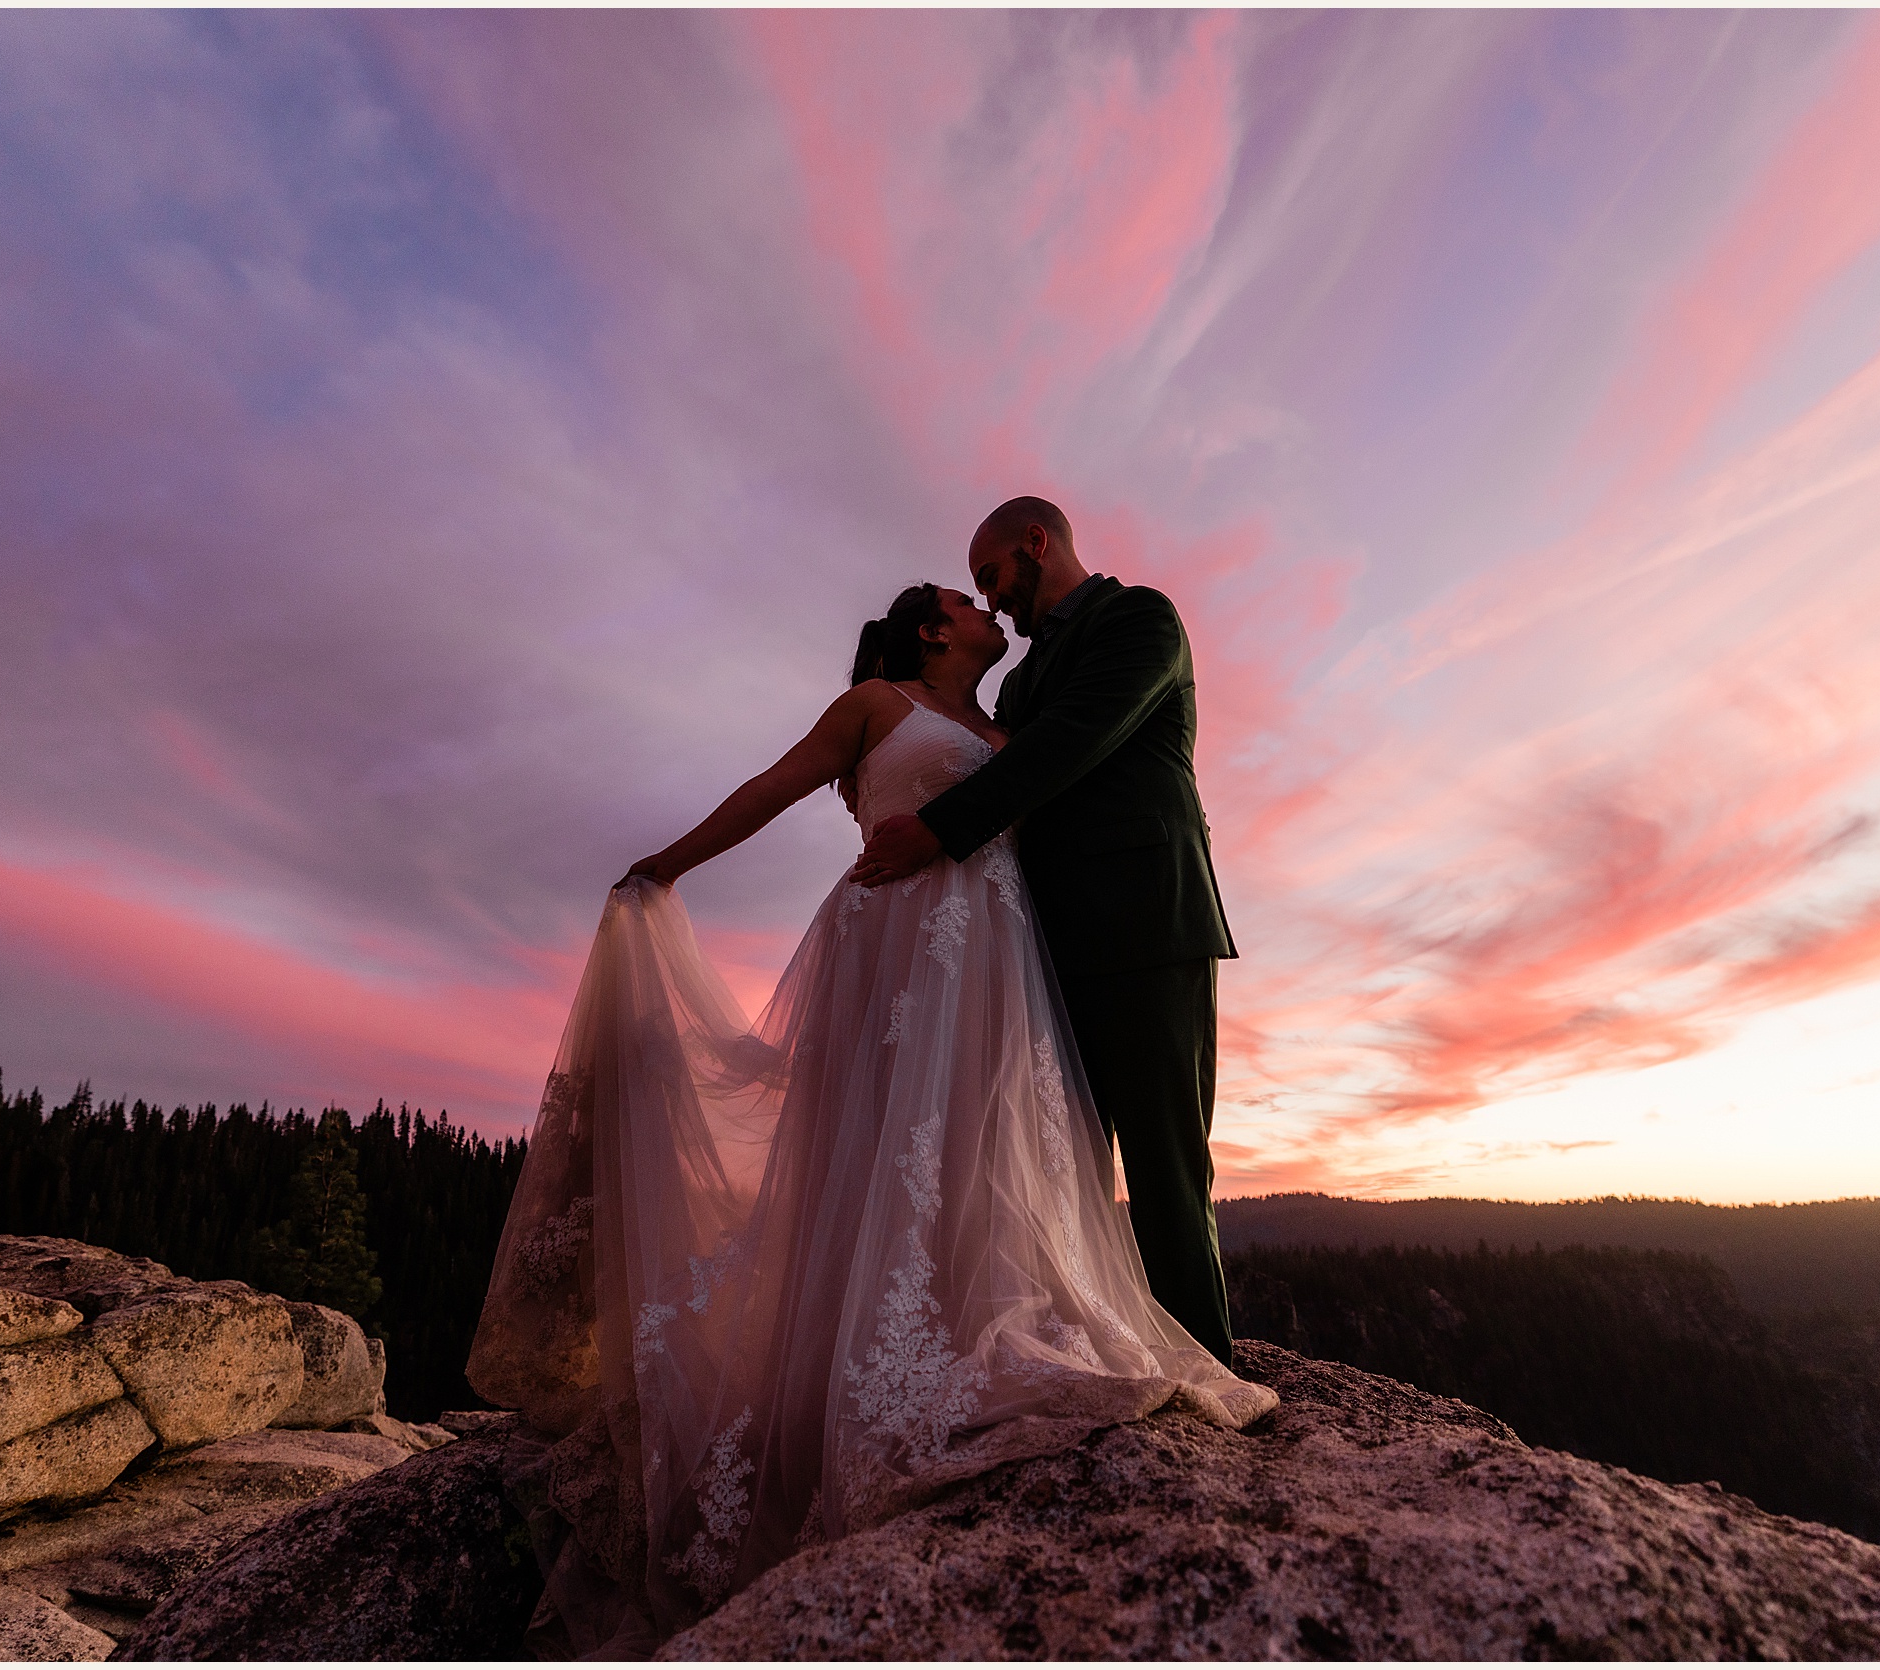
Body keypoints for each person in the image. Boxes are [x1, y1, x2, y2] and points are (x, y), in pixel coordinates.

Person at [467, 581, 1276, 1658]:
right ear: (932, 627)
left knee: (977, 1148)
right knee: (885, 1138)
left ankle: (949, 1326)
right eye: (967, 599)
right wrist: (669, 861)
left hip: (997, 957)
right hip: (897, 939)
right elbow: (772, 784)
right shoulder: (875, 703)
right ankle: (861, 1371)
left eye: (992, 587)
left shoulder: (1009, 723)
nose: (990, 607)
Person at [853, 496, 1240, 1365]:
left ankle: (1209, 1370)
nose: (990, 600)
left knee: (1167, 1169)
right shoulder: (1020, 682)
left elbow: (1069, 743)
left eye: (992, 576)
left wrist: (938, 828)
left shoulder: (1140, 620)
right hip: (1041, 949)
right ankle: (1104, 1352)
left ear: (1036, 544)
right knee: (1056, 1170)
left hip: (1148, 928)